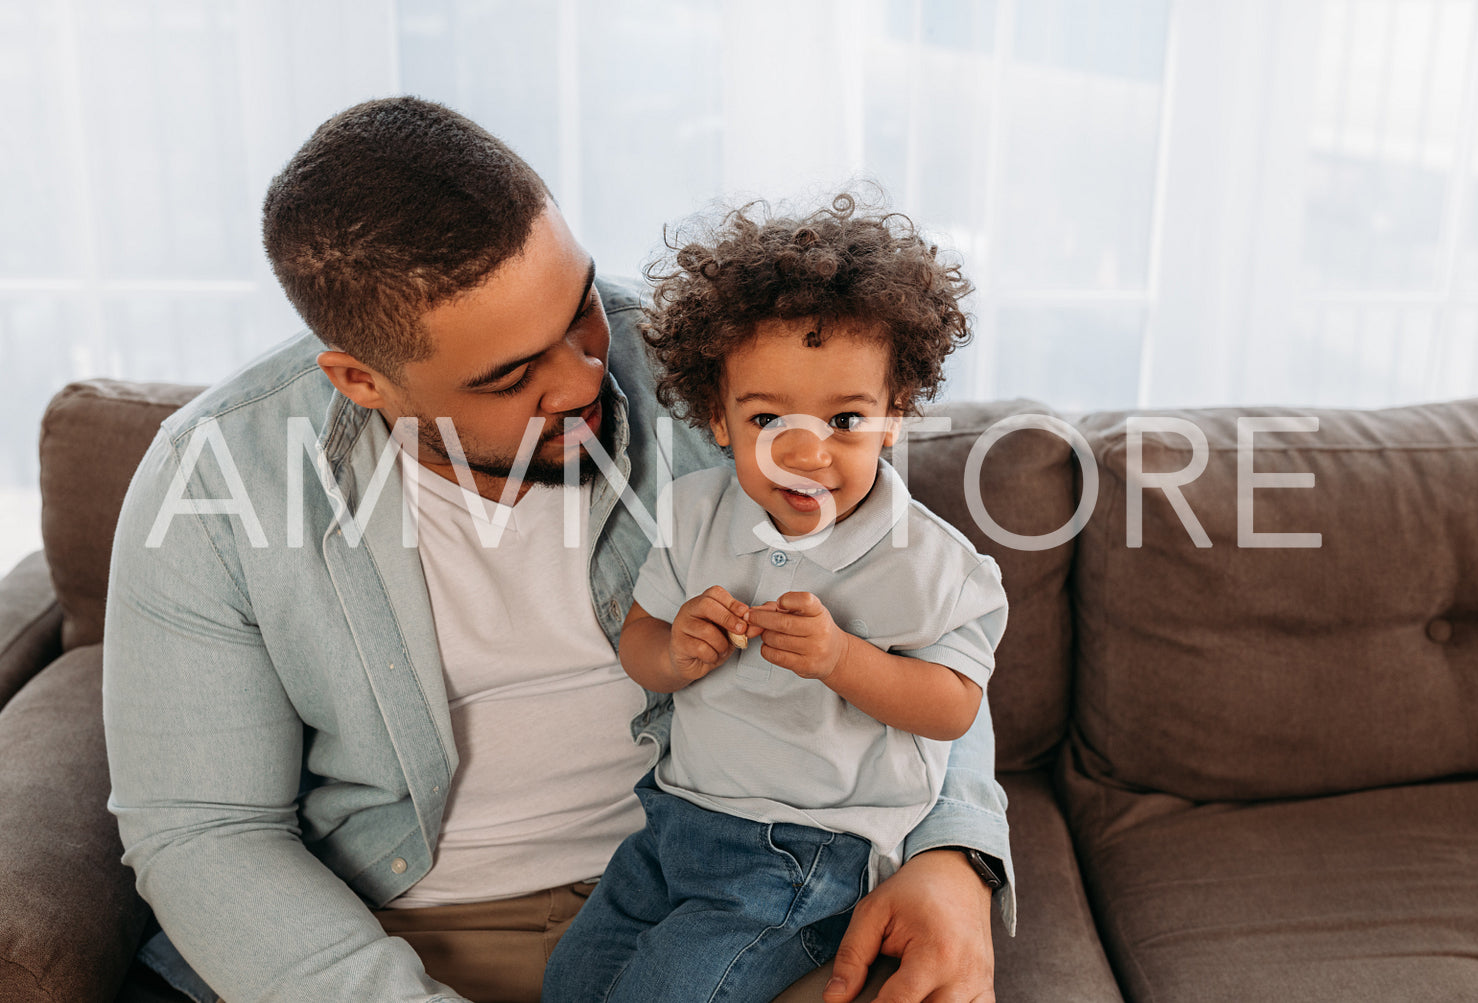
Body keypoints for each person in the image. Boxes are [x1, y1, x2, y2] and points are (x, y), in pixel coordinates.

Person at [102, 97, 1014, 1003]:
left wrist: (955, 852)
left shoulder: (726, 371)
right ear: (361, 379)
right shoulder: (215, 477)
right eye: (508, 375)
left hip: (722, 890)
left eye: (579, 311)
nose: (585, 376)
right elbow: (207, 830)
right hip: (391, 924)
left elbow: (916, 620)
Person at [540, 195, 1010, 1003]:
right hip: (672, 822)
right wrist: (676, 650)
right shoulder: (693, 512)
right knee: (573, 981)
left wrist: (842, 659)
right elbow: (640, 639)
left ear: (893, 415)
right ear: (717, 420)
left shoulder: (930, 560)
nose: (803, 452)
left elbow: (953, 707)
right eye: (765, 419)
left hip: (805, 849)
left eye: (845, 418)